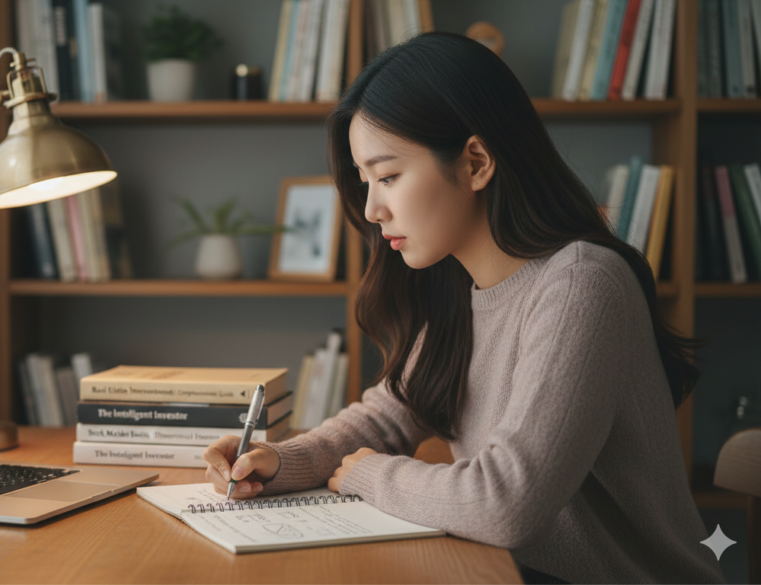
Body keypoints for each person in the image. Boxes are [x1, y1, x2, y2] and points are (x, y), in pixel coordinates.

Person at [202, 32, 725, 584]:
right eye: (364, 182)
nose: (372, 208)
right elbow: (386, 416)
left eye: (388, 176)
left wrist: (370, 476)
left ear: (475, 162)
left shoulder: (581, 284)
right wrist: (281, 461)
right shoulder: (459, 288)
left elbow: (506, 502)